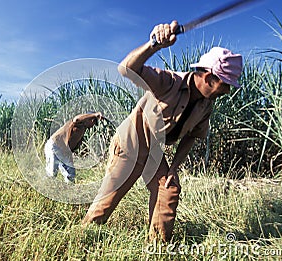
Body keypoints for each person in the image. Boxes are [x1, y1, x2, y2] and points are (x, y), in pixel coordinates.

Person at [82, 20, 243, 242]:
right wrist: (154, 44)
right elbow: (126, 69)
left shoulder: (206, 105)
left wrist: (173, 168)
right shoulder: (169, 82)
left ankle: (157, 246)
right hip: (130, 146)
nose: (227, 91)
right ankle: (84, 236)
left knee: (169, 190)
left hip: (154, 153)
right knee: (109, 199)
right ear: (209, 78)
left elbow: (192, 138)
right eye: (226, 85)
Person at [45, 112, 103, 183]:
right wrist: (94, 115)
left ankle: (68, 189)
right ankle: (46, 187)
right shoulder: (77, 123)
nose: (93, 124)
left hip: (65, 150)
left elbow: (77, 146)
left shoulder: (82, 130)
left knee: (71, 173)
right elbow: (76, 118)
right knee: (52, 172)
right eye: (93, 121)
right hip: (55, 145)